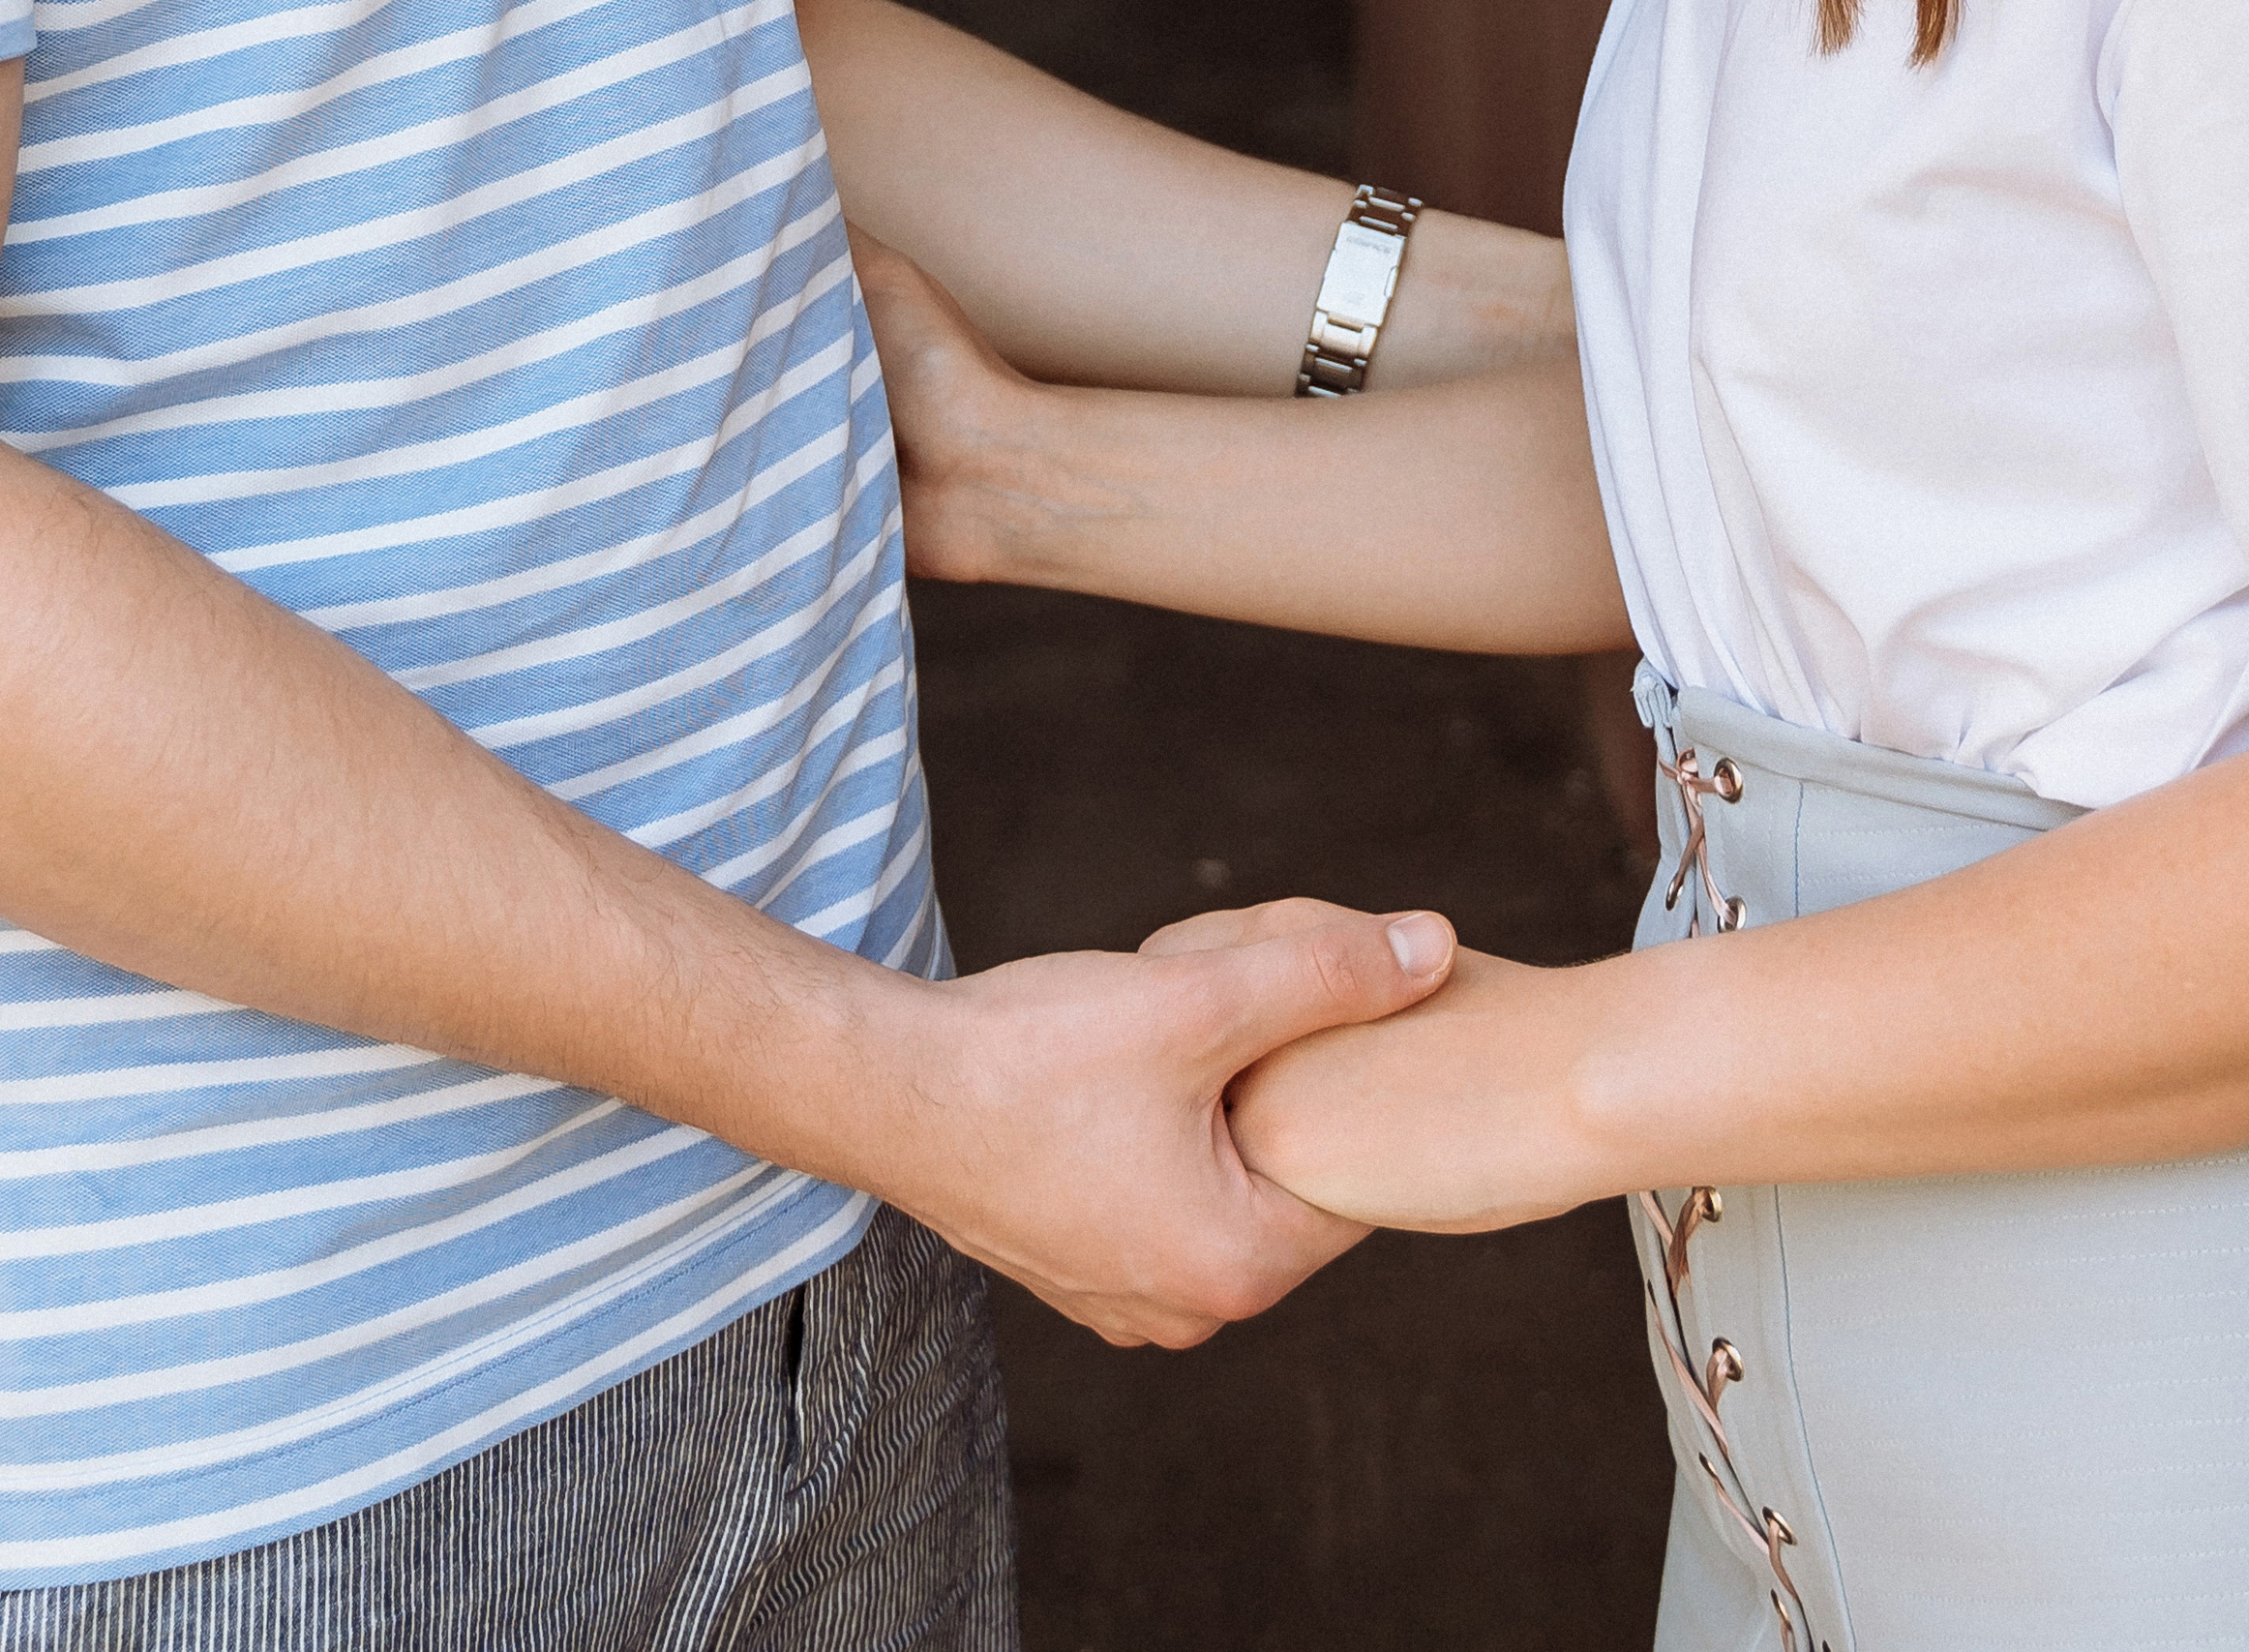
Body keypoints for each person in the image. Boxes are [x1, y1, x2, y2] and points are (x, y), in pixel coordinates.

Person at [861, 0, 2249, 1643]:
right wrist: (1013, 471)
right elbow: (1792, 506)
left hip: (2197, 1448)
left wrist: (1550, 1076)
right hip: (1785, 1477)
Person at [0, 0, 1574, 1641]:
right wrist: (891, 1084)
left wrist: (1569, 324)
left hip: (829, 1270)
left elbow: (696, 56)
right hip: (244, 1441)